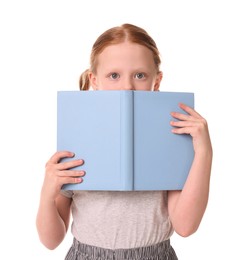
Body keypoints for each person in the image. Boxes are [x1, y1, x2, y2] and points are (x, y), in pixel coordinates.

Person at [36, 23, 213, 260]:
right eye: (114, 75)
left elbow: (186, 226)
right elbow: (51, 240)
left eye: (140, 75)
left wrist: (204, 153)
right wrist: (46, 194)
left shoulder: (170, 139)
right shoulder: (77, 136)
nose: (127, 86)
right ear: (94, 80)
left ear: (157, 82)